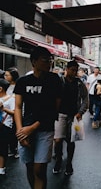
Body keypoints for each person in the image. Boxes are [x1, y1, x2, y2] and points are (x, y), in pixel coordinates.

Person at [14, 46, 62, 189]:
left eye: (50, 60)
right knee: (29, 167)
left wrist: (32, 128)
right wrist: (20, 132)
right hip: (25, 129)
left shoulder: (55, 80)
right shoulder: (23, 81)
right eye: (45, 60)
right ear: (34, 62)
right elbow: (17, 107)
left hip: (45, 129)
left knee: (39, 169)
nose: (49, 63)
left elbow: (55, 109)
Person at [52, 60, 88, 176]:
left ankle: (69, 163)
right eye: (72, 70)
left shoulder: (79, 83)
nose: (74, 72)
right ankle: (58, 159)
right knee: (57, 140)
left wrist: (80, 112)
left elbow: (85, 98)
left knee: (71, 140)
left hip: (74, 115)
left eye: (76, 70)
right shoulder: (59, 81)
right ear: (67, 69)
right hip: (60, 114)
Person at [0, 78, 15, 175]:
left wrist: (3, 108)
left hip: (5, 126)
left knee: (2, 147)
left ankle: (1, 168)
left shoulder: (11, 99)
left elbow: (14, 112)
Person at [4, 67, 20, 158]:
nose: (5, 77)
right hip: (6, 111)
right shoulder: (6, 85)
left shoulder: (17, 86)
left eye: (7, 75)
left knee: (13, 131)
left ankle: (14, 149)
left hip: (14, 111)